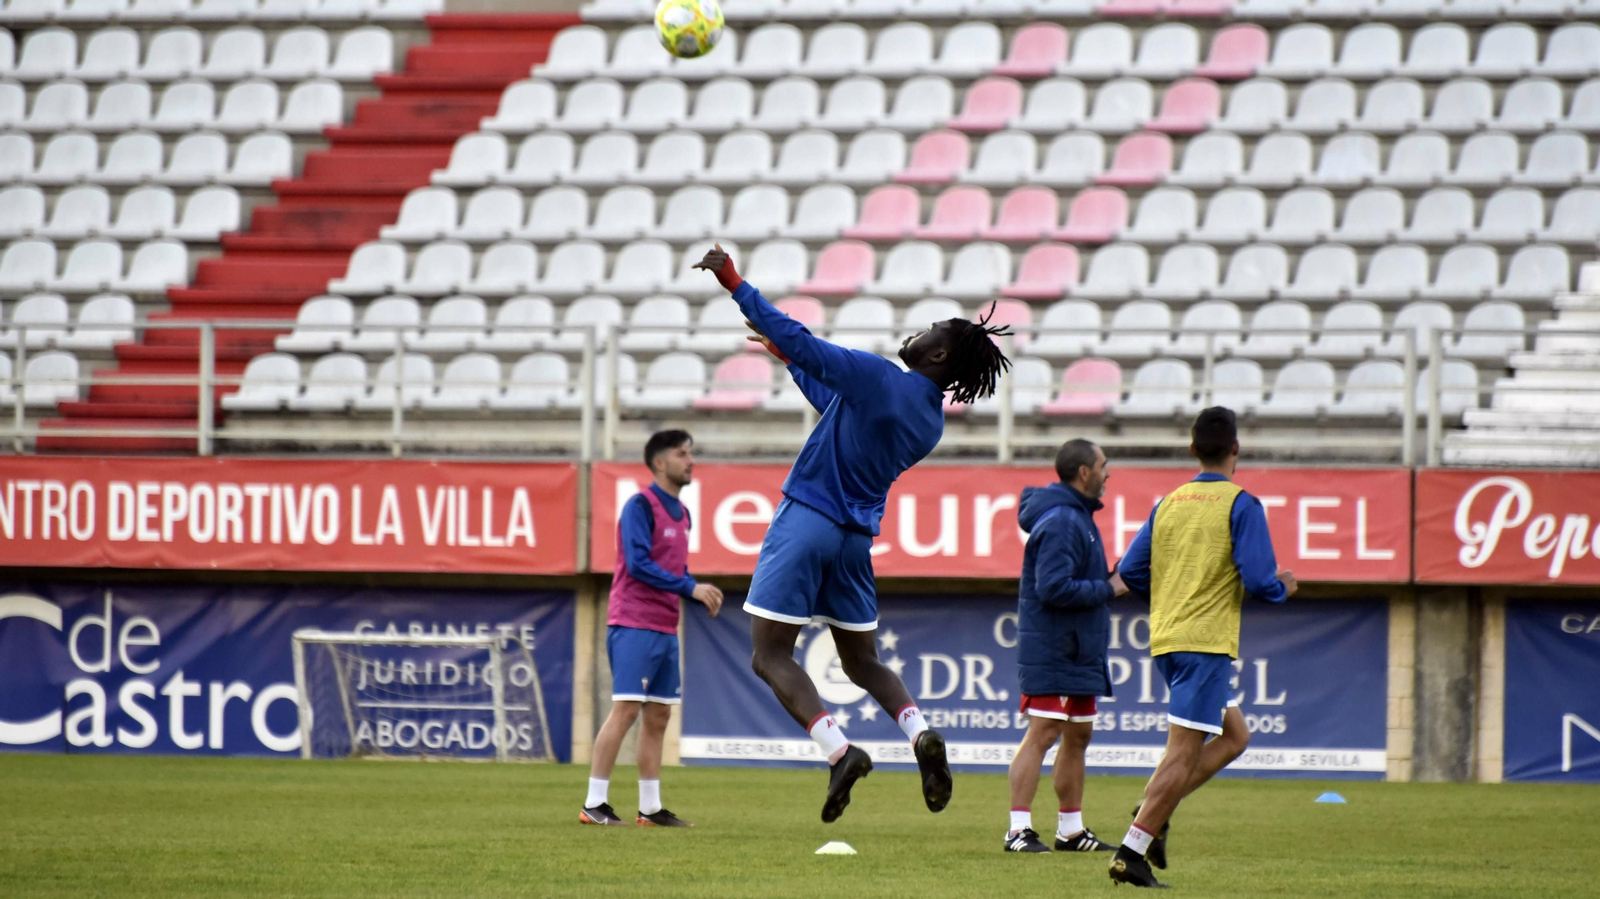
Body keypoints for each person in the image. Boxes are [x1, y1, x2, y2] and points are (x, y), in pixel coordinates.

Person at [693, 244, 1011, 823]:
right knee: (863, 662)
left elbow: (806, 342)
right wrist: (790, 361)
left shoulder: (880, 377)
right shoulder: (929, 419)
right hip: (854, 542)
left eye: (929, 329)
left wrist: (735, 283)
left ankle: (839, 752)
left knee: (769, 655)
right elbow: (835, 399)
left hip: (807, 521)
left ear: (938, 353)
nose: (917, 332)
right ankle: (919, 734)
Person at [1107, 407, 1298, 887]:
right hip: (1204, 642)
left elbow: (1130, 571)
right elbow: (1259, 577)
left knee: (1235, 737)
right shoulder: (1242, 504)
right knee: (1183, 754)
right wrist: (1283, 587)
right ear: (1236, 448)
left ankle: (1152, 806)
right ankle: (1132, 851)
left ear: (1192, 449)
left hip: (1167, 638)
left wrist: (1170, 596)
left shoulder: (1168, 503)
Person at [581, 430, 724, 828]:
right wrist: (690, 587)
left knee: (659, 715)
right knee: (626, 709)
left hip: (664, 625)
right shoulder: (640, 506)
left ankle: (650, 809)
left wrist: (692, 588)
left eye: (690, 453)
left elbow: (675, 568)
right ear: (660, 463)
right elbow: (638, 564)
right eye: (682, 454)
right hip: (633, 622)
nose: (690, 461)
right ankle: (594, 803)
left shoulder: (684, 514)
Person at [1005, 439, 1126, 854]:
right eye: (1104, 465)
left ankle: (1070, 831)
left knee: (1079, 734)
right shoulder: (1061, 520)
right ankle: (1017, 830)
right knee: (1043, 732)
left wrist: (1109, 582)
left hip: (1077, 649)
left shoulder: (1077, 516)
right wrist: (1108, 588)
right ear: (1085, 472)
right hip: (1055, 648)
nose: (1108, 473)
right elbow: (1053, 587)